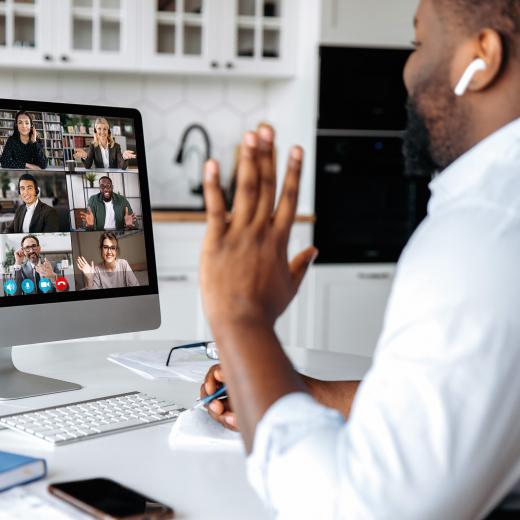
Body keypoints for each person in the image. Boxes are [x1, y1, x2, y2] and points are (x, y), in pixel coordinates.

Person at [198, 0, 520, 518]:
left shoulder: (485, 233)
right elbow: (454, 399)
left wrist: (241, 318)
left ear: (481, 57)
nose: (407, 69)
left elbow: (359, 508)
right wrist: (296, 389)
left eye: (419, 44)